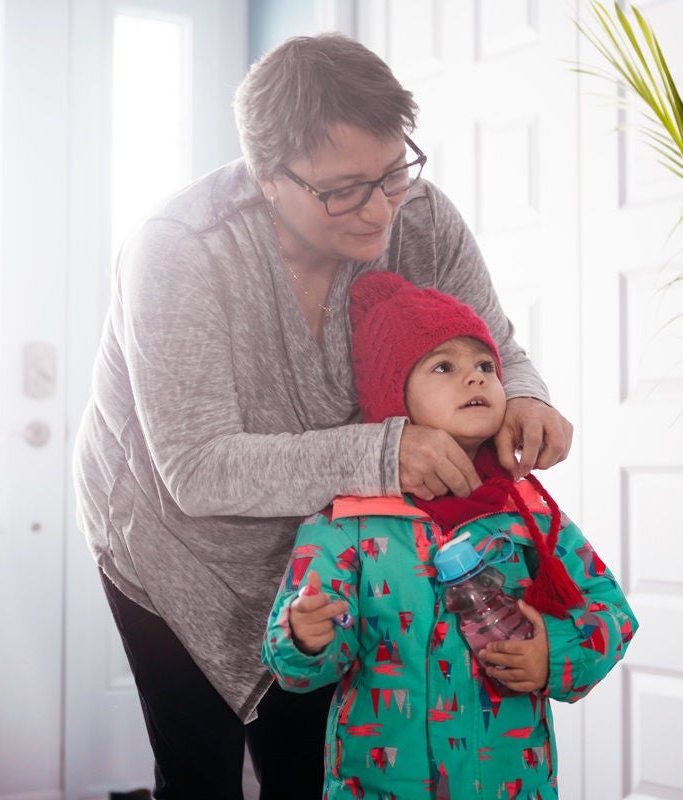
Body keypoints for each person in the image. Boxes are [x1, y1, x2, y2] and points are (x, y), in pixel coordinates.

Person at [72, 32, 574, 800]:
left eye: (392, 171)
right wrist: (384, 454)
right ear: (269, 177)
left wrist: (529, 394)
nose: (380, 208)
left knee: (315, 764)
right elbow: (197, 470)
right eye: (344, 189)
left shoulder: (421, 218)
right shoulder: (178, 252)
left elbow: (497, 343)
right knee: (198, 771)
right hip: (172, 545)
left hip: (330, 541)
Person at [262, 272, 638, 798]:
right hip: (381, 785)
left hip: (511, 783)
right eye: (445, 367)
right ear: (395, 399)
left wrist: (553, 654)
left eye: (486, 366)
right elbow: (297, 667)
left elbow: (610, 612)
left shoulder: (528, 512)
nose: (476, 379)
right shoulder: (345, 522)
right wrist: (306, 635)